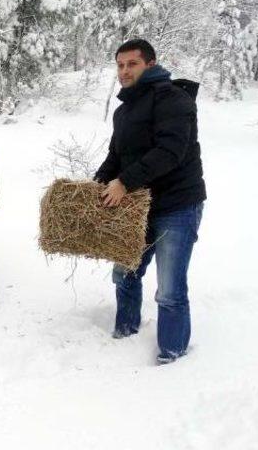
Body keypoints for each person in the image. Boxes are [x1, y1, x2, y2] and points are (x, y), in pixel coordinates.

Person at [94, 39, 206, 364]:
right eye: (120, 65)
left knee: (169, 289)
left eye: (132, 64)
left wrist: (125, 183)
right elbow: (116, 156)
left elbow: (171, 152)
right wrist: (98, 183)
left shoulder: (174, 99)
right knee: (125, 272)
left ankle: (171, 355)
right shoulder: (124, 111)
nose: (125, 71)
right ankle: (125, 332)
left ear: (151, 64)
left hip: (178, 205)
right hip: (139, 208)